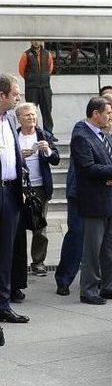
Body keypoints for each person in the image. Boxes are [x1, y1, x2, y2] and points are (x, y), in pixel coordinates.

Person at [71, 97, 112, 305]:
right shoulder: (81, 136)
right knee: (93, 250)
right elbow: (87, 168)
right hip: (94, 203)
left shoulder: (106, 134)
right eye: (107, 113)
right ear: (95, 114)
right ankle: (89, 290)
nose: (111, 117)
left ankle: (109, 286)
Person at [11, 102, 59, 300]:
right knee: (17, 228)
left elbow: (55, 159)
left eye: (33, 115)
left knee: (40, 225)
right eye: (27, 115)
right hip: (19, 186)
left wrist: (47, 150)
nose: (31, 118)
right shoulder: (14, 135)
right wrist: (20, 156)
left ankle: (38, 261)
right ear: (19, 118)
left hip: (39, 187)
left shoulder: (44, 135)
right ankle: (18, 265)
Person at [0, 74, 29, 325]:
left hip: (10, 192)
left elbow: (15, 156)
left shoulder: (9, 119)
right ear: (2, 95)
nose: (18, 97)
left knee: (6, 252)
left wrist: (18, 185)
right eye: (15, 93)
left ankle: (3, 304)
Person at [54, 119, 85, 296]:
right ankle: (64, 279)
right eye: (111, 112)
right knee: (76, 235)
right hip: (79, 194)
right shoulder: (81, 129)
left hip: (103, 196)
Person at [17, 40, 55, 137]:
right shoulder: (26, 55)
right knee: (31, 111)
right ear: (31, 41)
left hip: (45, 87)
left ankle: (49, 133)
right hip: (31, 88)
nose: (36, 42)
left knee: (47, 111)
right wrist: (31, 78)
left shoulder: (47, 54)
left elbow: (50, 68)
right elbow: (21, 70)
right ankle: (35, 133)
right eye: (34, 39)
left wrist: (43, 77)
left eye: (38, 39)